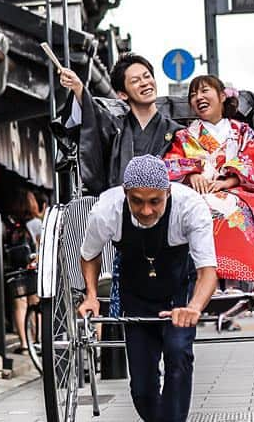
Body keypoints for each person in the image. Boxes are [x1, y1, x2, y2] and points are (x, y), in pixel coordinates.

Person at [78, 155, 218, 422]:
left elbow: (207, 271)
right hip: (135, 292)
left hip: (179, 292)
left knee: (178, 355)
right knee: (142, 386)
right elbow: (89, 254)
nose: (145, 211)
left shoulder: (190, 208)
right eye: (137, 201)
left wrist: (193, 308)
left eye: (155, 201)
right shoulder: (106, 211)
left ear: (168, 191)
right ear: (125, 193)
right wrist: (92, 296)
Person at [163, 74, 254, 314]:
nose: (198, 97)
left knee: (232, 209)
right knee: (199, 210)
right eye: (193, 94)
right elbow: (172, 163)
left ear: (222, 96)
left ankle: (235, 281)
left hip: (238, 192)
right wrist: (192, 175)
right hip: (197, 193)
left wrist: (228, 181)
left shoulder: (241, 131)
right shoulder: (184, 136)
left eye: (205, 91)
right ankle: (204, 281)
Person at [60, 53, 183, 195]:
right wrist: (78, 89)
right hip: (119, 206)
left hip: (165, 207)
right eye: (135, 80)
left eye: (147, 76)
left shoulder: (176, 132)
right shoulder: (115, 128)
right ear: (123, 94)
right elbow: (93, 118)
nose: (144, 83)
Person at [4, 189, 40, 353]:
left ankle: (24, 344)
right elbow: (42, 245)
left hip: (16, 269)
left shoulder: (11, 226)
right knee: (37, 304)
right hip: (33, 267)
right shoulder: (36, 223)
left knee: (20, 306)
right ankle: (38, 341)